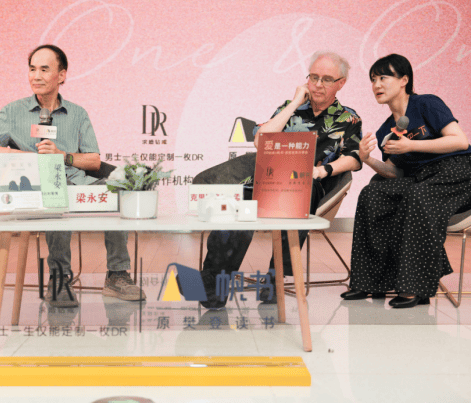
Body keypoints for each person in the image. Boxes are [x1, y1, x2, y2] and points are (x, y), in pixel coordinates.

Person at [0, 44, 145, 307]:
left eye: (44, 69)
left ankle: (117, 275)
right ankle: (59, 278)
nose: (36, 76)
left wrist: (62, 155)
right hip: (39, 187)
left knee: (121, 191)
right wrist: (24, 157)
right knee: (55, 190)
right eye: (32, 69)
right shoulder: (13, 111)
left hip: (78, 183)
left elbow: (94, 160)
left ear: (61, 75)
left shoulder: (77, 113)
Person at [196, 51, 363, 309]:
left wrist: (322, 171)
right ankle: (213, 284)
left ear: (341, 83)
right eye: (314, 77)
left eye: (327, 79)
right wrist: (295, 103)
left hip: (309, 184)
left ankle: (276, 278)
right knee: (237, 206)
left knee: (299, 192)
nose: (318, 84)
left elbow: (354, 157)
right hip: (268, 181)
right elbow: (260, 141)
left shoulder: (349, 118)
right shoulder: (288, 108)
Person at [342, 54, 471, 308]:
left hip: (457, 171)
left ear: (404, 80)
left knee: (418, 195)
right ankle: (369, 282)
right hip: (420, 179)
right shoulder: (386, 130)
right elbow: (394, 172)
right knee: (372, 194)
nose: (376, 85)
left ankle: (414, 288)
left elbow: (460, 141)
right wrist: (367, 159)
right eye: (373, 79)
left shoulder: (426, 104)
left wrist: (412, 145)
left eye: (383, 77)